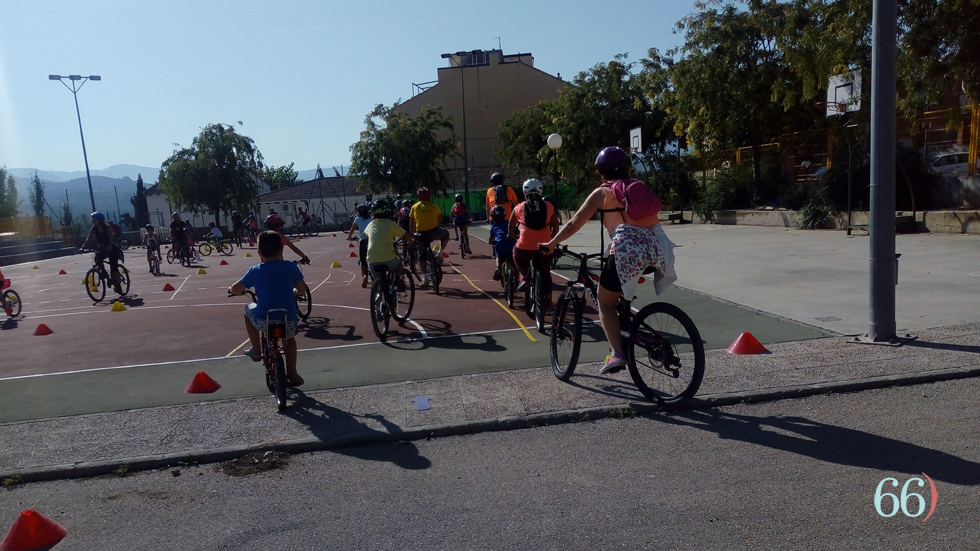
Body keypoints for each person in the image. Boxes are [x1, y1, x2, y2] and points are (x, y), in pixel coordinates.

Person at [540, 146, 676, 375]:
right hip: (657, 251)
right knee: (619, 298)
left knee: (604, 302)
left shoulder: (603, 193)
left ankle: (617, 353)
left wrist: (551, 244)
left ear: (601, 172)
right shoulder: (638, 187)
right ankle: (629, 330)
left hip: (628, 253)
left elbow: (574, 224)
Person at [228, 230, 308, 387]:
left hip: (263, 320)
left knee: (247, 310)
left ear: (259, 253)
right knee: (289, 339)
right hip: (288, 319)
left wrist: (233, 291)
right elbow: (302, 289)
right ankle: (292, 372)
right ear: (281, 250)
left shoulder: (255, 270)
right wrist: (295, 292)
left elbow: (236, 288)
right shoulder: (290, 267)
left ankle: (256, 350)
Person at [509, 179, 559, 307]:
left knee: (515, 253)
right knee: (546, 272)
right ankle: (548, 302)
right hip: (544, 248)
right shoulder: (549, 206)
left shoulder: (519, 208)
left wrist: (511, 235)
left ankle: (525, 277)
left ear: (525, 193)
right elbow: (556, 226)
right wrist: (552, 240)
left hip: (524, 248)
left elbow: (511, 225)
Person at [363, 201, 414, 285]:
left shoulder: (370, 225)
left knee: (378, 283)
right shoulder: (391, 224)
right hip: (389, 260)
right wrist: (411, 242)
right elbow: (405, 235)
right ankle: (398, 280)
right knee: (399, 264)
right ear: (388, 212)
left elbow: (366, 235)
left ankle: (378, 293)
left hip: (372, 261)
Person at [409, 187, 450, 288]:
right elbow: (440, 218)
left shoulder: (415, 207)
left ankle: (425, 278)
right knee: (446, 234)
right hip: (434, 231)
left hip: (421, 234)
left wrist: (413, 236)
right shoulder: (434, 206)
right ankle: (440, 253)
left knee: (422, 256)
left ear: (418, 196)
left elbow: (411, 224)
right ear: (429, 196)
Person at [80, 212, 124, 294]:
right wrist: (82, 248)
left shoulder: (107, 227)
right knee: (97, 258)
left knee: (114, 267)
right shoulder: (93, 229)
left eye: (95, 219)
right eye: (93, 219)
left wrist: (110, 245)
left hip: (112, 247)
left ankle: (118, 285)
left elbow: (111, 237)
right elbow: (88, 239)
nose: (93, 221)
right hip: (103, 247)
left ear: (100, 220)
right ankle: (104, 272)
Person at [346, 202, 373, 287]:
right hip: (372, 240)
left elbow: (352, 230)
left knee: (363, 261)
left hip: (363, 241)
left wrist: (349, 237)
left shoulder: (357, 219)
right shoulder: (372, 219)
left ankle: (364, 276)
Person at [488, 205, 516, 281]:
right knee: (515, 263)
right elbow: (517, 232)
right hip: (512, 245)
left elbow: (491, 239)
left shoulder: (494, 226)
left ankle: (498, 267)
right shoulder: (509, 222)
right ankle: (518, 280)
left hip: (501, 246)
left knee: (498, 254)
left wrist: (490, 242)